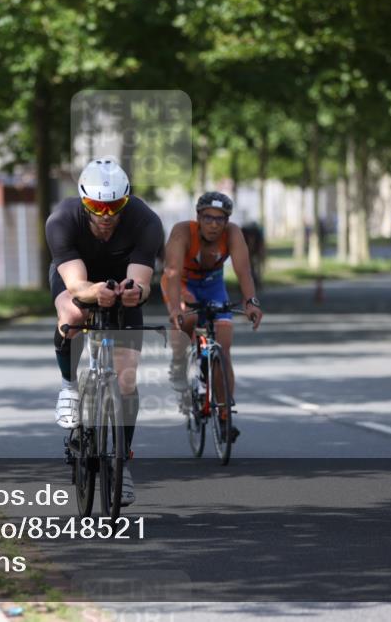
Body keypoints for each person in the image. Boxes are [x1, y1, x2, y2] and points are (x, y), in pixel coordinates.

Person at [45, 157, 164, 506]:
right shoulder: (62, 220)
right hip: (77, 279)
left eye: (115, 206)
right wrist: (94, 292)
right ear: (84, 201)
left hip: (121, 283)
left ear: (126, 201)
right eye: (97, 207)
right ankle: (69, 387)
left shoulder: (146, 221)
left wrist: (135, 293)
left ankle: (121, 462)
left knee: (126, 379)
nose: (107, 215)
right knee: (72, 313)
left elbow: (143, 283)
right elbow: (77, 284)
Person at [160, 192, 263, 443]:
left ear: (227, 220)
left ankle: (225, 415)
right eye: (208, 218)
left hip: (213, 286)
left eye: (220, 219)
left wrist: (251, 302)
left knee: (223, 350)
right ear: (198, 217)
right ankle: (179, 362)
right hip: (182, 284)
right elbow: (171, 273)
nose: (214, 224)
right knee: (187, 319)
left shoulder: (233, 234)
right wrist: (176, 308)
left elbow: (243, 271)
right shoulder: (182, 232)